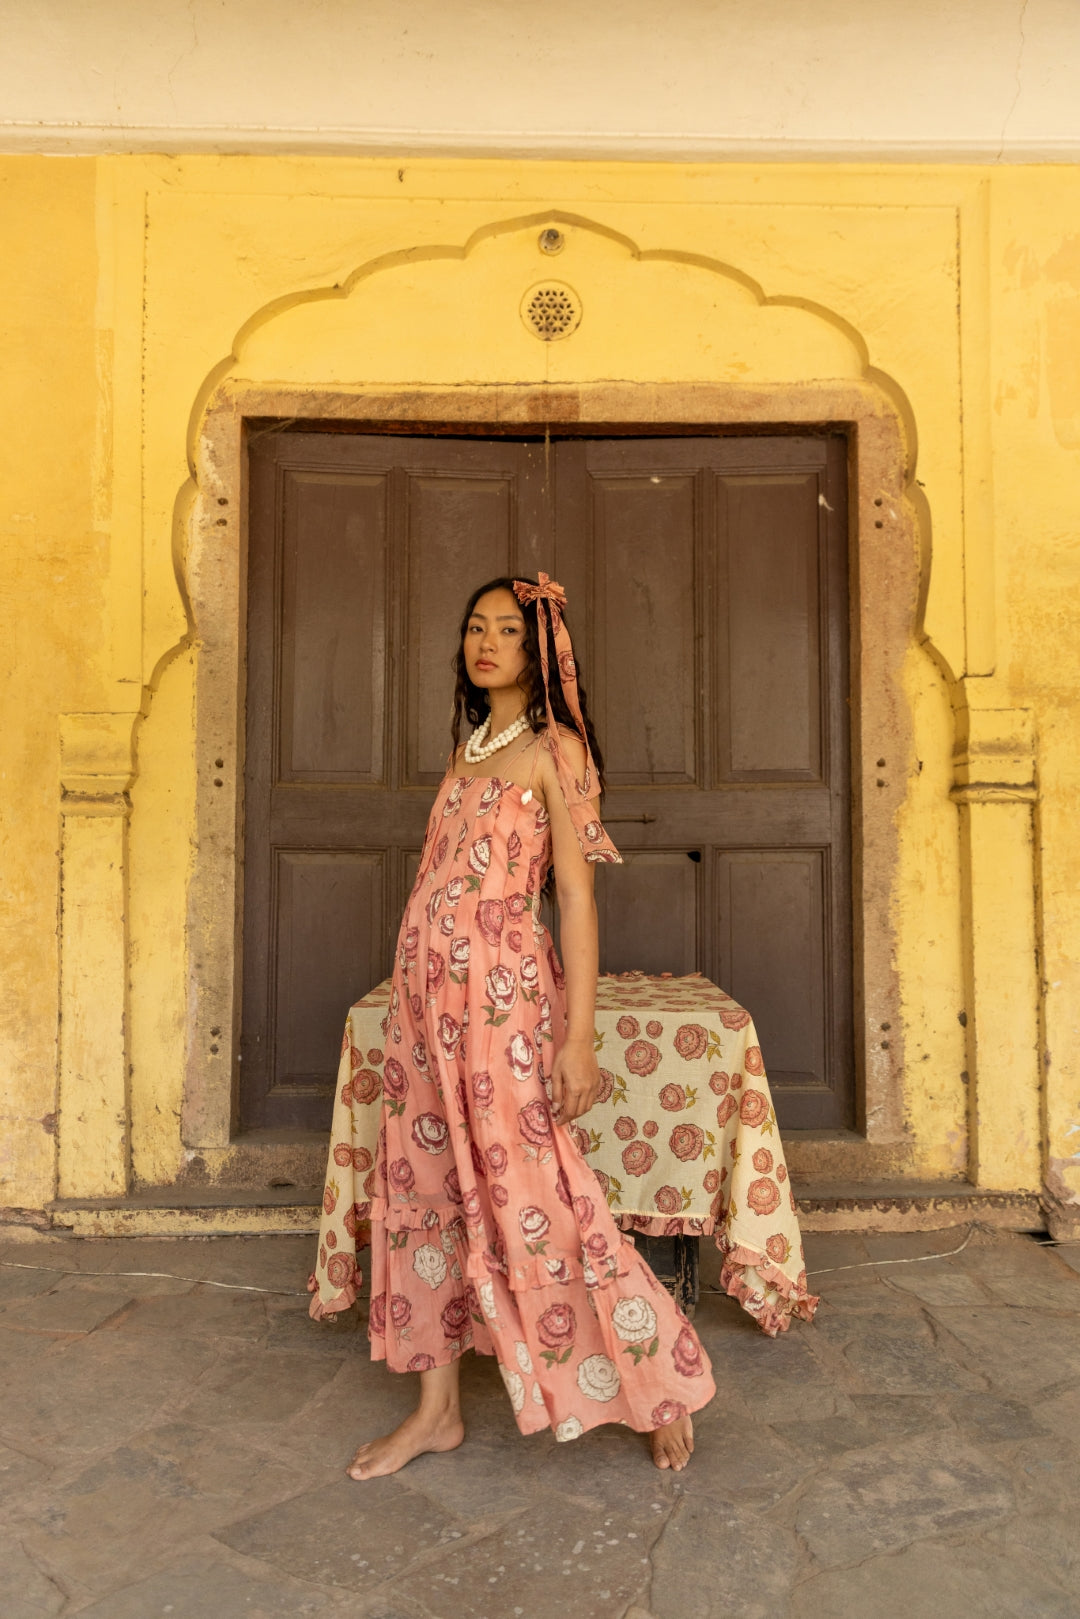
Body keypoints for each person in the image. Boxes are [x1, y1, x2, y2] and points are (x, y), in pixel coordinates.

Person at [343, 573, 716, 1480]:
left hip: (502, 1007)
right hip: (424, 1009)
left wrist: (576, 1035)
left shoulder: (556, 752)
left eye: (507, 629)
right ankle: (435, 1413)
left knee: (538, 1192)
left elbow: (577, 900)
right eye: (475, 626)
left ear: (539, 648)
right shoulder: (469, 746)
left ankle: (651, 1379)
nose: (486, 641)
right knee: (422, 1188)